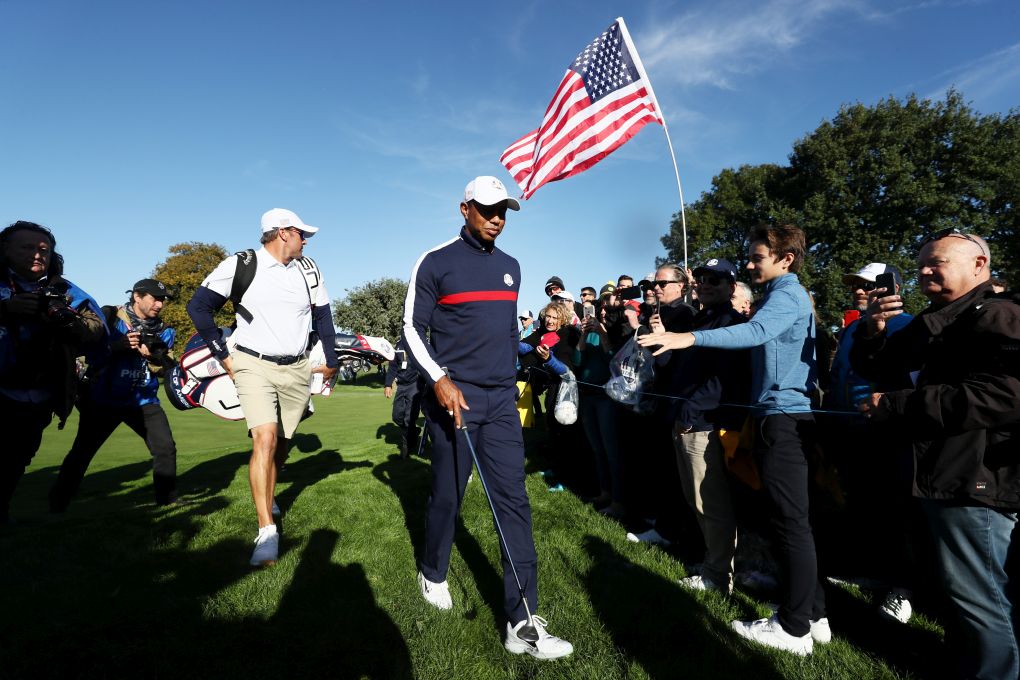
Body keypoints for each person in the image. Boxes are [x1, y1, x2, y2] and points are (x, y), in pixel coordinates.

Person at [638, 224, 828, 656]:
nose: (748, 263)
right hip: (772, 418)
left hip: (783, 418)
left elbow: (753, 334)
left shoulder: (786, 295)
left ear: (786, 259)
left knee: (792, 525)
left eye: (757, 257)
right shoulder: (781, 294)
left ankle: (795, 627)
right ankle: (815, 614)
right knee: (791, 522)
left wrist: (687, 336)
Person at [403, 176, 572, 659]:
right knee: (448, 495)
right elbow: (412, 329)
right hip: (455, 396)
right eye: (488, 208)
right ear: (465, 208)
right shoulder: (435, 262)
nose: (498, 217)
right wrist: (438, 377)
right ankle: (433, 570)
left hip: (501, 401)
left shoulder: (511, 267)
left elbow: (500, 333)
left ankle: (522, 619)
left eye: (505, 210)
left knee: (513, 502)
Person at [852, 229, 1020, 680]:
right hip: (935, 474)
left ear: (979, 265)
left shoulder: (999, 315)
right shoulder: (940, 318)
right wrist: (874, 330)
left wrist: (895, 404)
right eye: (922, 262)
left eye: (938, 262)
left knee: (980, 597)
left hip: (974, 477)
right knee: (956, 593)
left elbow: (1006, 396)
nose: (925, 270)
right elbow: (880, 366)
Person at [187, 208, 338, 566]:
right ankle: (266, 530)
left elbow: (323, 316)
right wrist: (221, 352)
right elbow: (199, 307)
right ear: (282, 232)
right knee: (265, 438)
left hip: (298, 367)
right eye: (303, 233)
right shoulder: (240, 264)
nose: (306, 240)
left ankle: (267, 493)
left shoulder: (309, 269)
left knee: (282, 446)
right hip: (252, 363)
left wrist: (330, 359)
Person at [824, 263, 917, 623]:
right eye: (856, 287)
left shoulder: (908, 326)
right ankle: (871, 571)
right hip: (847, 432)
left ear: (893, 288)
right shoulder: (851, 329)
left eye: (868, 286)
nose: (860, 292)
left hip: (886, 435)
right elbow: (839, 376)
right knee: (863, 506)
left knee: (896, 514)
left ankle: (904, 588)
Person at [0, 221, 106, 524]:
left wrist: (69, 322)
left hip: (39, 394)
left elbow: (97, 330)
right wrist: (7, 309)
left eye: (44, 250)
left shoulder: (64, 289)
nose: (37, 254)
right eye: (28, 247)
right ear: (5, 249)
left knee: (17, 459)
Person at [50, 279, 179, 510]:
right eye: (154, 298)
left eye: (162, 300)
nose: (159, 304)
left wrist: (152, 357)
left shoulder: (165, 330)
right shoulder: (109, 318)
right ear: (137, 296)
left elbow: (169, 367)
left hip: (145, 400)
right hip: (103, 400)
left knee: (165, 448)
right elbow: (86, 352)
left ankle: (167, 502)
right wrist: (117, 346)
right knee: (82, 453)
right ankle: (58, 503)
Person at [669, 259, 750, 593]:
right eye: (701, 278)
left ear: (732, 286)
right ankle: (714, 563)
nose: (705, 283)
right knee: (695, 499)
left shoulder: (729, 323)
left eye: (715, 280)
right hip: (686, 420)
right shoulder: (701, 319)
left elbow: (720, 381)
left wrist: (689, 415)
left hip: (704, 424)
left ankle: (718, 576)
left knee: (709, 502)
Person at [384, 336, 422, 459]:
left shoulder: (419, 343)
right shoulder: (398, 345)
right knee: (396, 416)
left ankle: (405, 447)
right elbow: (393, 367)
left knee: (409, 418)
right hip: (401, 385)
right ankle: (413, 432)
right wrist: (388, 384)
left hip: (415, 385)